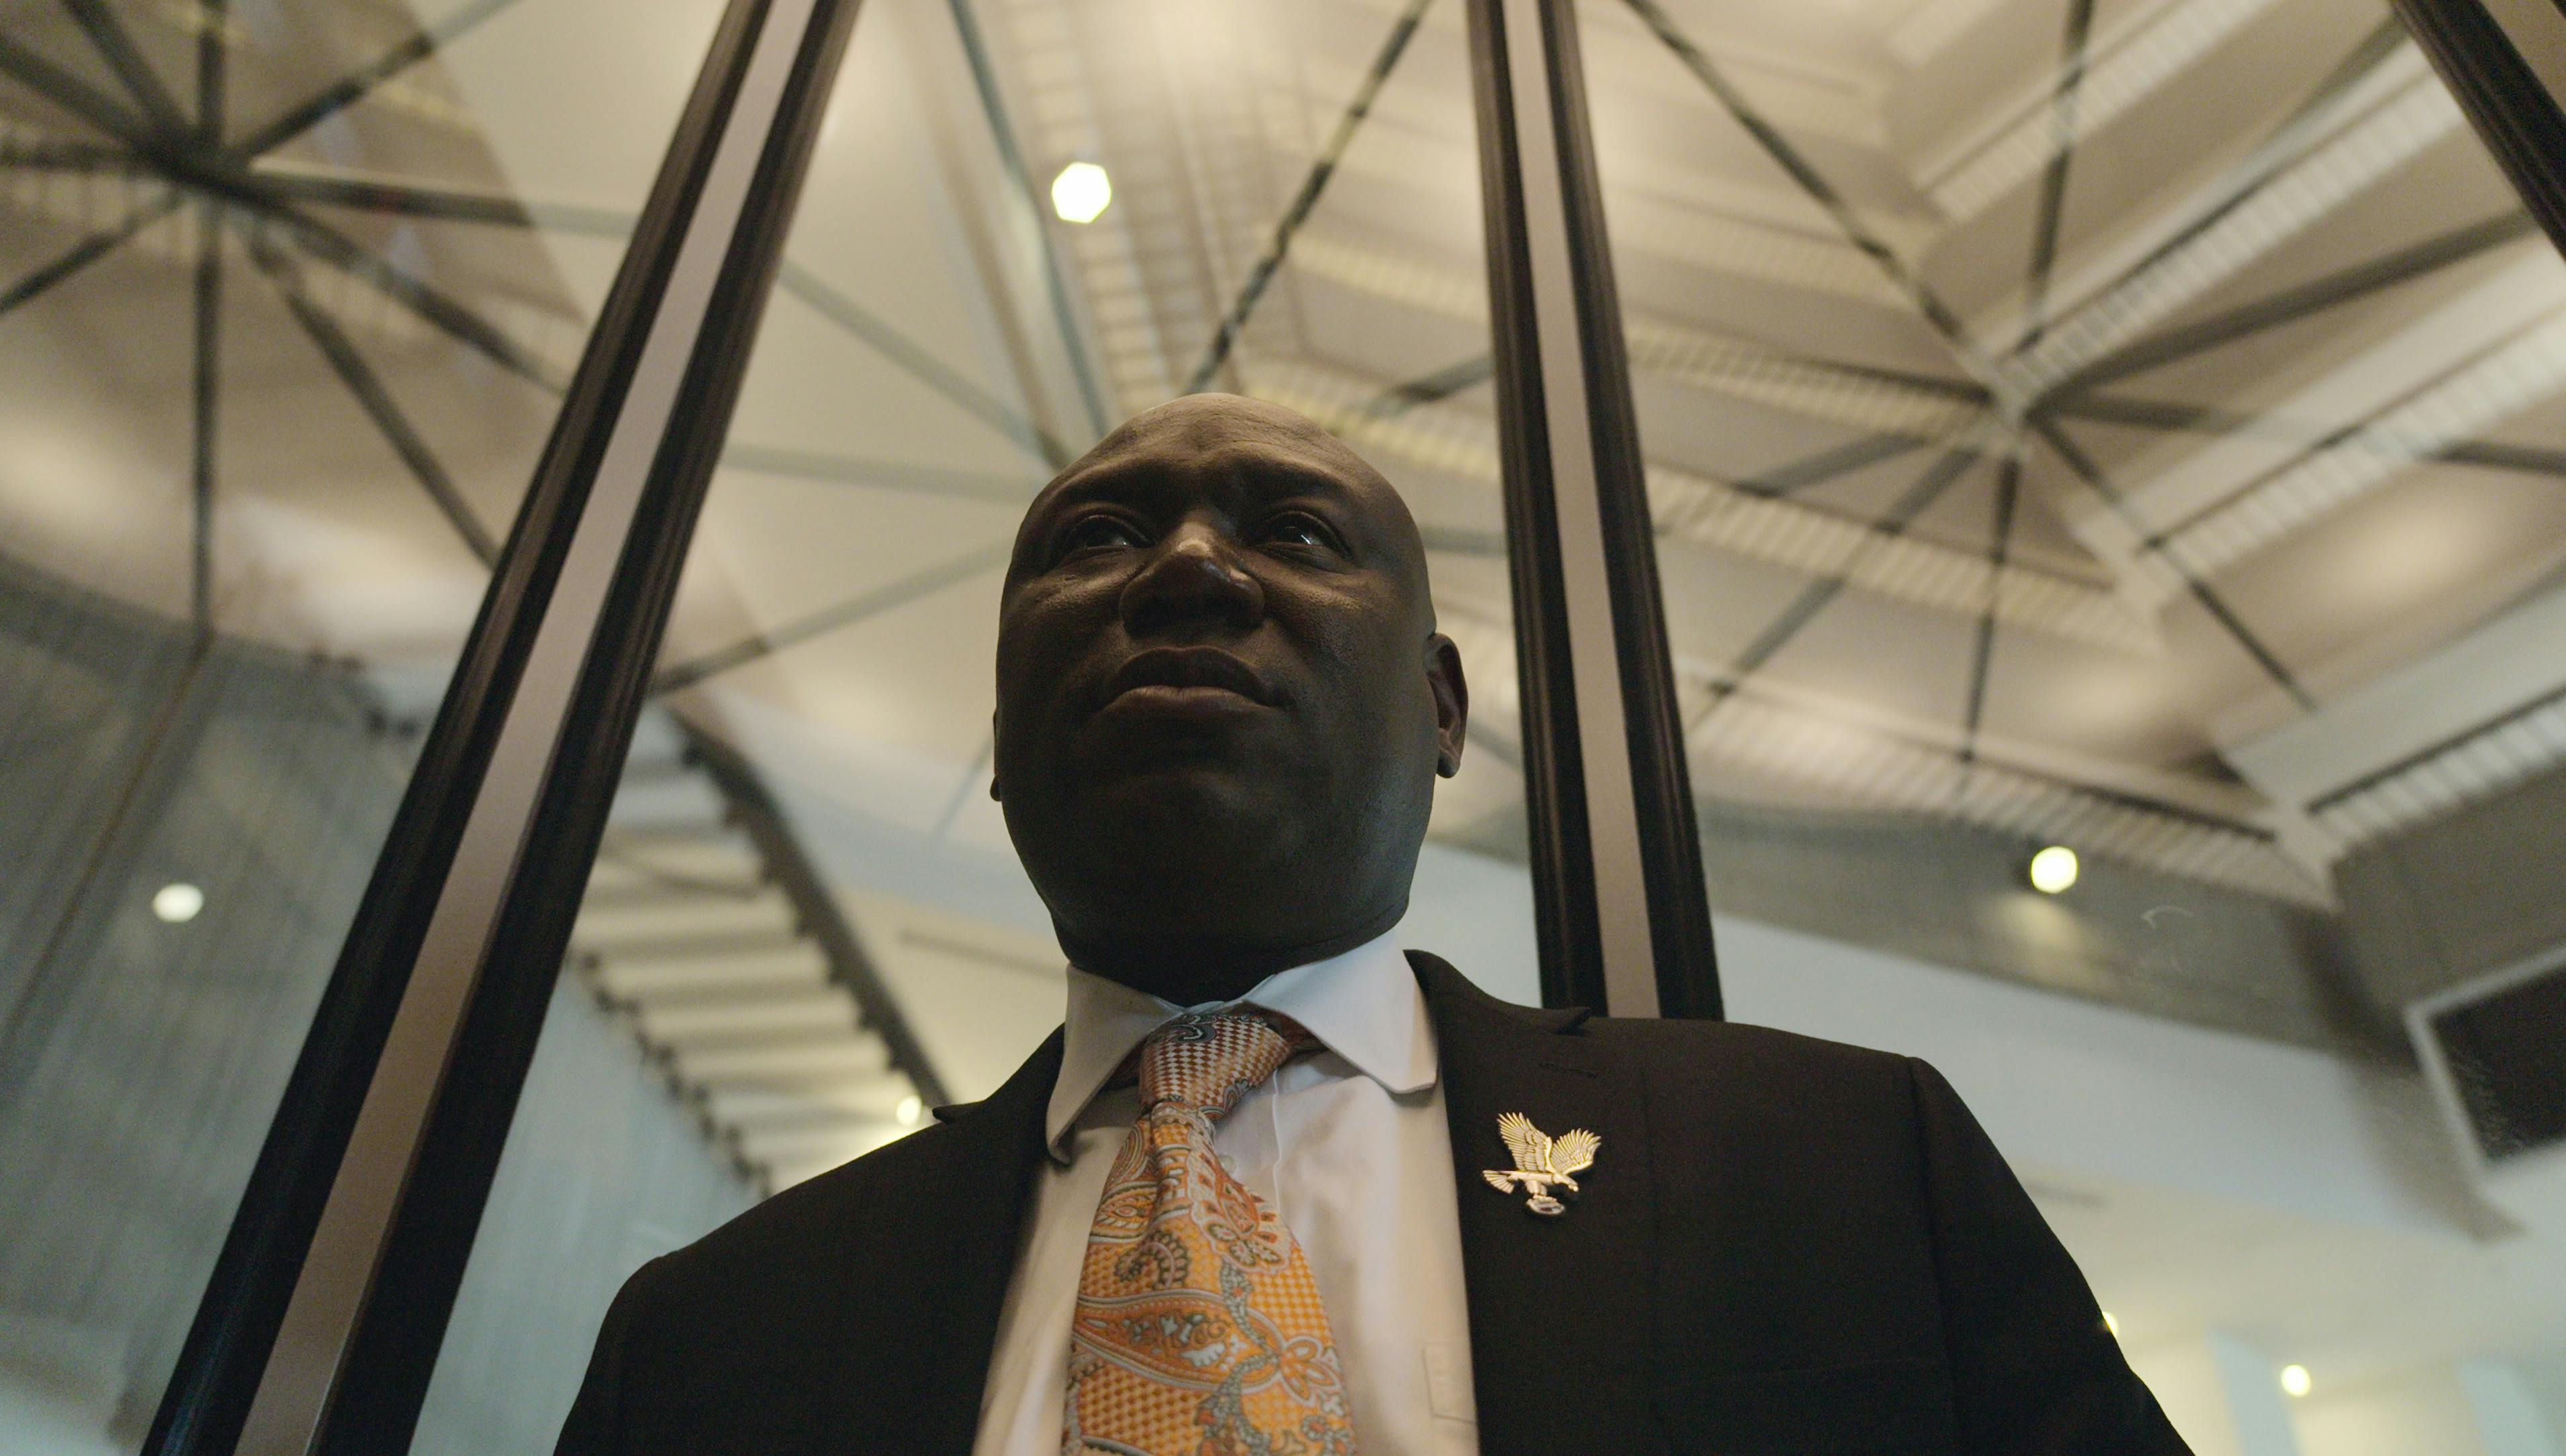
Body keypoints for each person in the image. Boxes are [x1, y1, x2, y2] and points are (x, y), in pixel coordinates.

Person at [556, 394, 2188, 1456]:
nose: (1187, 570)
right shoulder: (710, 1349)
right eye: (1100, 540)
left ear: (1441, 709)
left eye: (1297, 533)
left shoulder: (1840, 1167)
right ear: (999, 737)